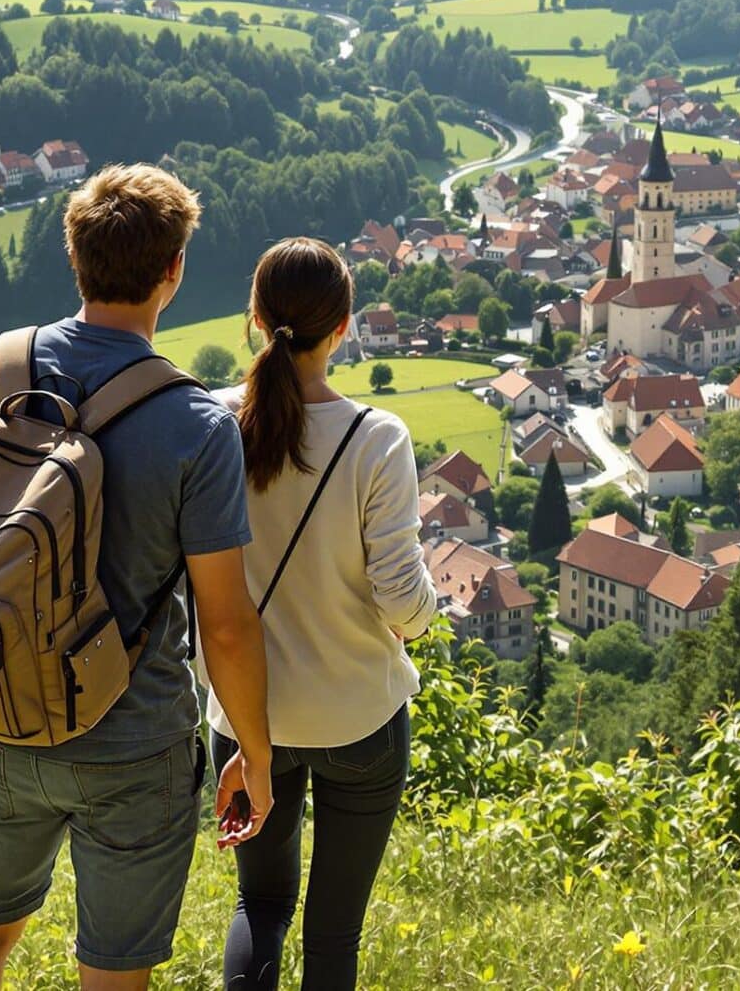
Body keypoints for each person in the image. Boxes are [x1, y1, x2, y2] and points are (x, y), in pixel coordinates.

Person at [0, 164, 276, 991]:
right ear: (173, 271)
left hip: (2, 718)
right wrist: (255, 756)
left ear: (73, 256)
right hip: (134, 742)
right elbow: (228, 625)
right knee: (111, 977)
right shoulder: (197, 425)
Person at [209, 237, 436, 991]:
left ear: (253, 318)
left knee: (261, 902)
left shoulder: (212, 425)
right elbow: (403, 597)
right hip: (358, 715)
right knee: (334, 930)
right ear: (343, 328)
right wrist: (428, 614)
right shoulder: (377, 438)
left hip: (246, 720)